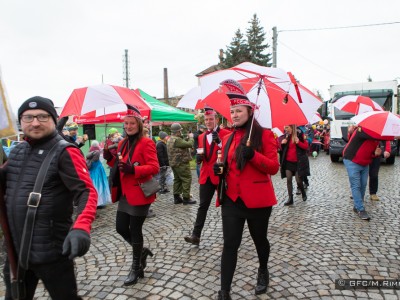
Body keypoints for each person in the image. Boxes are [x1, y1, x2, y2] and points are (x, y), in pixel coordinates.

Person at [0, 96, 98, 300]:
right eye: (28, 117)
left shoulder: (65, 151)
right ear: (21, 121)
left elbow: (86, 191)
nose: (35, 122)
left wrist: (81, 227)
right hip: (16, 251)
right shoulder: (17, 151)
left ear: (53, 120)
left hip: (52, 253)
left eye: (42, 116)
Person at [214, 79, 280, 299]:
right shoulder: (229, 137)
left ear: (250, 111)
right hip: (232, 200)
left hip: (257, 201)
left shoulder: (265, 135)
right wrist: (219, 169)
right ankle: (224, 292)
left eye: (238, 111)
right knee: (230, 245)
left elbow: (273, 167)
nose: (233, 115)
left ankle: (263, 269)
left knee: (259, 240)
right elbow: (228, 166)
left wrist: (253, 156)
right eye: (231, 111)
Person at [103, 104, 159, 286]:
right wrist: (109, 157)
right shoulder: (122, 143)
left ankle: (136, 267)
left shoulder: (147, 142)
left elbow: (154, 167)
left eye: (131, 123)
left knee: (135, 230)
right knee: (120, 227)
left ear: (139, 124)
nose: (128, 126)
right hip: (125, 193)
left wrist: (133, 169)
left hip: (141, 193)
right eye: (126, 123)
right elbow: (119, 165)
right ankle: (142, 252)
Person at [184, 107, 229, 246]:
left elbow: (229, 153)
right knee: (202, 206)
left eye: (211, 119)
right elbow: (201, 154)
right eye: (206, 120)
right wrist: (198, 158)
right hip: (206, 174)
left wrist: (220, 142)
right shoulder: (202, 136)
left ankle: (229, 237)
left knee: (226, 206)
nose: (209, 122)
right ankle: (196, 235)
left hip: (221, 174)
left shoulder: (226, 134)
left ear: (216, 119)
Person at [343, 126, 384, 220]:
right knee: (356, 185)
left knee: (363, 185)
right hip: (351, 160)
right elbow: (368, 136)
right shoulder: (362, 130)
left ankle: (357, 205)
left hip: (365, 162)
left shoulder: (377, 138)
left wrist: (376, 153)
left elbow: (371, 152)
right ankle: (361, 209)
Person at [166, 123, 196, 205]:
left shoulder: (170, 139)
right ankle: (186, 198)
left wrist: (186, 138)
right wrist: (191, 138)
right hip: (181, 163)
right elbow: (189, 144)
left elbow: (181, 144)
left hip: (174, 163)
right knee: (186, 178)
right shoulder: (177, 140)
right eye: (180, 131)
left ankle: (177, 197)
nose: (181, 132)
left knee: (177, 179)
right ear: (178, 131)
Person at [279, 125, 309, 205]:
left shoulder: (300, 135)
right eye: (285, 128)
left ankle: (303, 192)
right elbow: (282, 150)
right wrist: (282, 144)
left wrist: (298, 142)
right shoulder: (286, 137)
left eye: (287, 127)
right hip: (288, 162)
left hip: (298, 162)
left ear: (292, 128)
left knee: (298, 181)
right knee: (288, 179)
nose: (285, 130)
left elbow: (306, 147)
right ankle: (290, 198)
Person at [86, 140, 111, 208]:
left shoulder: (90, 151)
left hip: (91, 172)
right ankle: (99, 202)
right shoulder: (98, 152)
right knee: (99, 186)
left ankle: (92, 201)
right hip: (98, 172)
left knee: (92, 186)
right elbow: (100, 159)